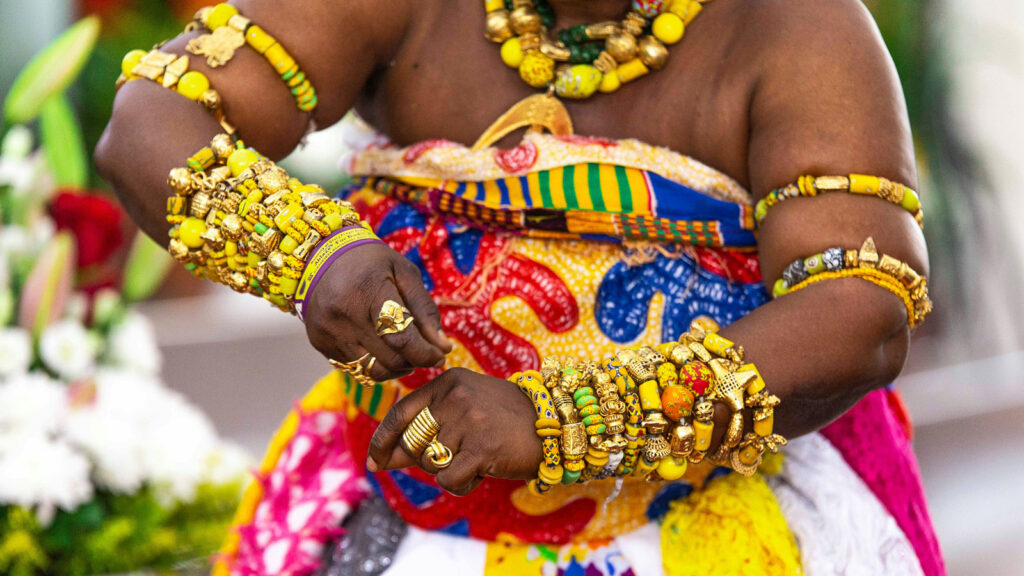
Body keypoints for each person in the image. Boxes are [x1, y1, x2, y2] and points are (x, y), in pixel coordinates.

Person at [96, 0, 942, 574]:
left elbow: (858, 313)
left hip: (709, 523)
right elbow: (150, 120)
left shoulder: (801, 28)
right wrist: (316, 255)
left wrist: (557, 421)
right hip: (401, 514)